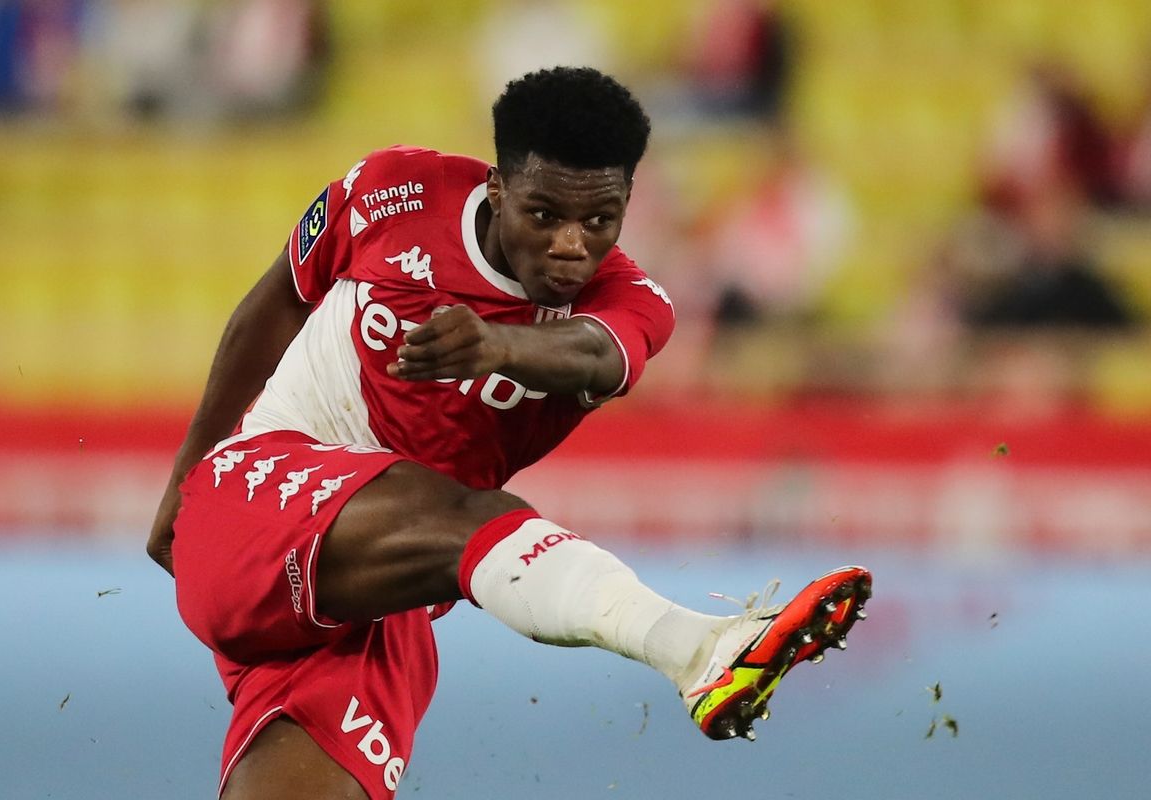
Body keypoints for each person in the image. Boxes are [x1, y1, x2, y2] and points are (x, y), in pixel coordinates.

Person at [146, 67, 871, 800]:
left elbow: (598, 353)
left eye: (600, 221)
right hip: (255, 497)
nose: (570, 246)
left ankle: (703, 652)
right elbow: (280, 298)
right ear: (497, 189)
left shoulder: (635, 304)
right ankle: (697, 648)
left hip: (381, 601)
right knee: (485, 517)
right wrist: (186, 476)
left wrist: (498, 346)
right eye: (544, 214)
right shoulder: (395, 191)